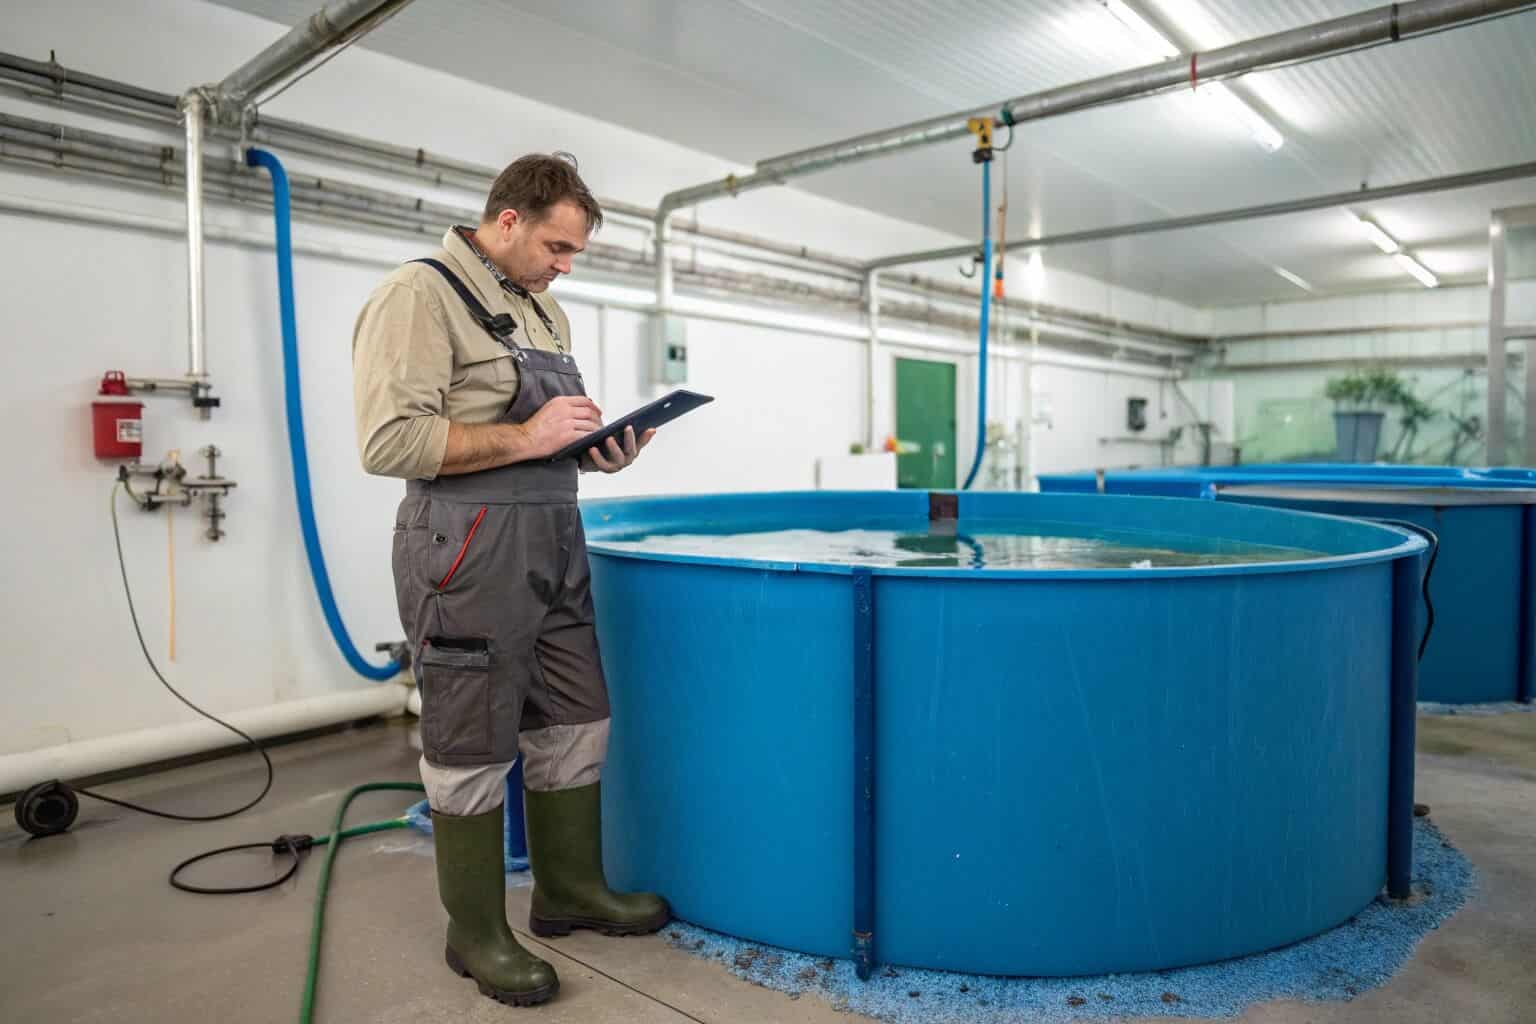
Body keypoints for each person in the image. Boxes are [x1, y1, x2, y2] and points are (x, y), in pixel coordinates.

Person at [352, 152, 668, 1007]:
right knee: (469, 743)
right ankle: (476, 933)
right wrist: (528, 440)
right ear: (508, 223)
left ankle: (567, 892)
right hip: (465, 547)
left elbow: (539, 435)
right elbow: (388, 443)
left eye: (573, 254)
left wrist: (596, 452)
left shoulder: (542, 311)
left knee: (576, 718)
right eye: (558, 248)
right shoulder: (417, 296)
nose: (565, 267)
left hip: (554, 537)